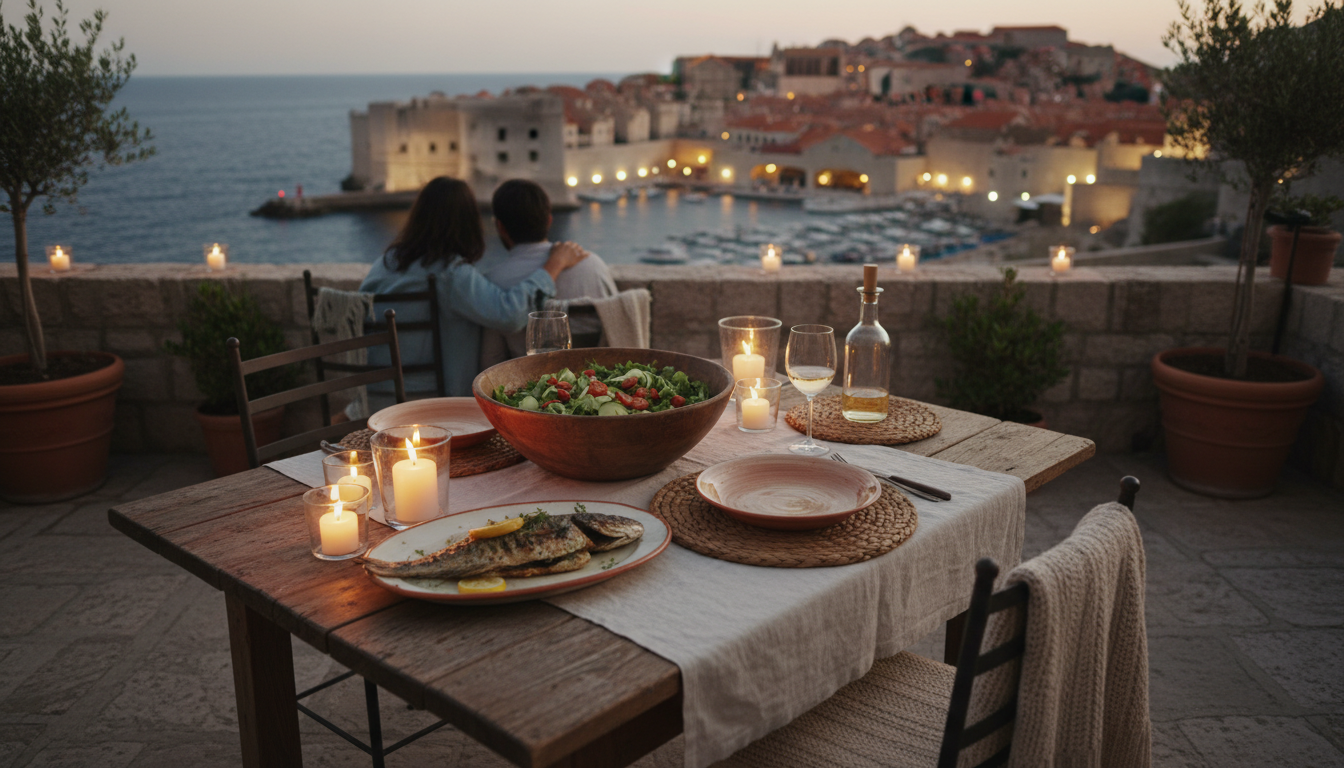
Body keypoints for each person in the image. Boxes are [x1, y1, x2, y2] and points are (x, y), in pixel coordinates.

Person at [360, 176, 587, 400]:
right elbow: (510, 314)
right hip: (429, 401)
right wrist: (554, 264)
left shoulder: (384, 263)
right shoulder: (450, 274)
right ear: (468, 223)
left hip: (374, 396)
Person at [480, 179, 616, 367]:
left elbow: (492, 361)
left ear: (500, 227)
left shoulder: (494, 282)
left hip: (531, 381)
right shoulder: (593, 264)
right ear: (549, 221)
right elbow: (614, 325)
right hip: (596, 377)